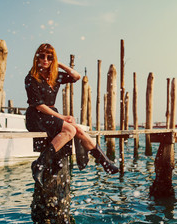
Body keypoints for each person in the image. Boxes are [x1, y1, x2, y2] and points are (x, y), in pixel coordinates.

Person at [25, 43, 118, 187]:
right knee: (70, 129)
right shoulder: (31, 77)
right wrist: (62, 117)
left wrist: (59, 64)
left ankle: (104, 162)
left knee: (79, 130)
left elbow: (76, 76)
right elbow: (38, 105)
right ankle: (39, 164)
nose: (45, 60)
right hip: (36, 116)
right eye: (42, 56)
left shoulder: (55, 76)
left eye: (49, 57)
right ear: (36, 58)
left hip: (51, 115)